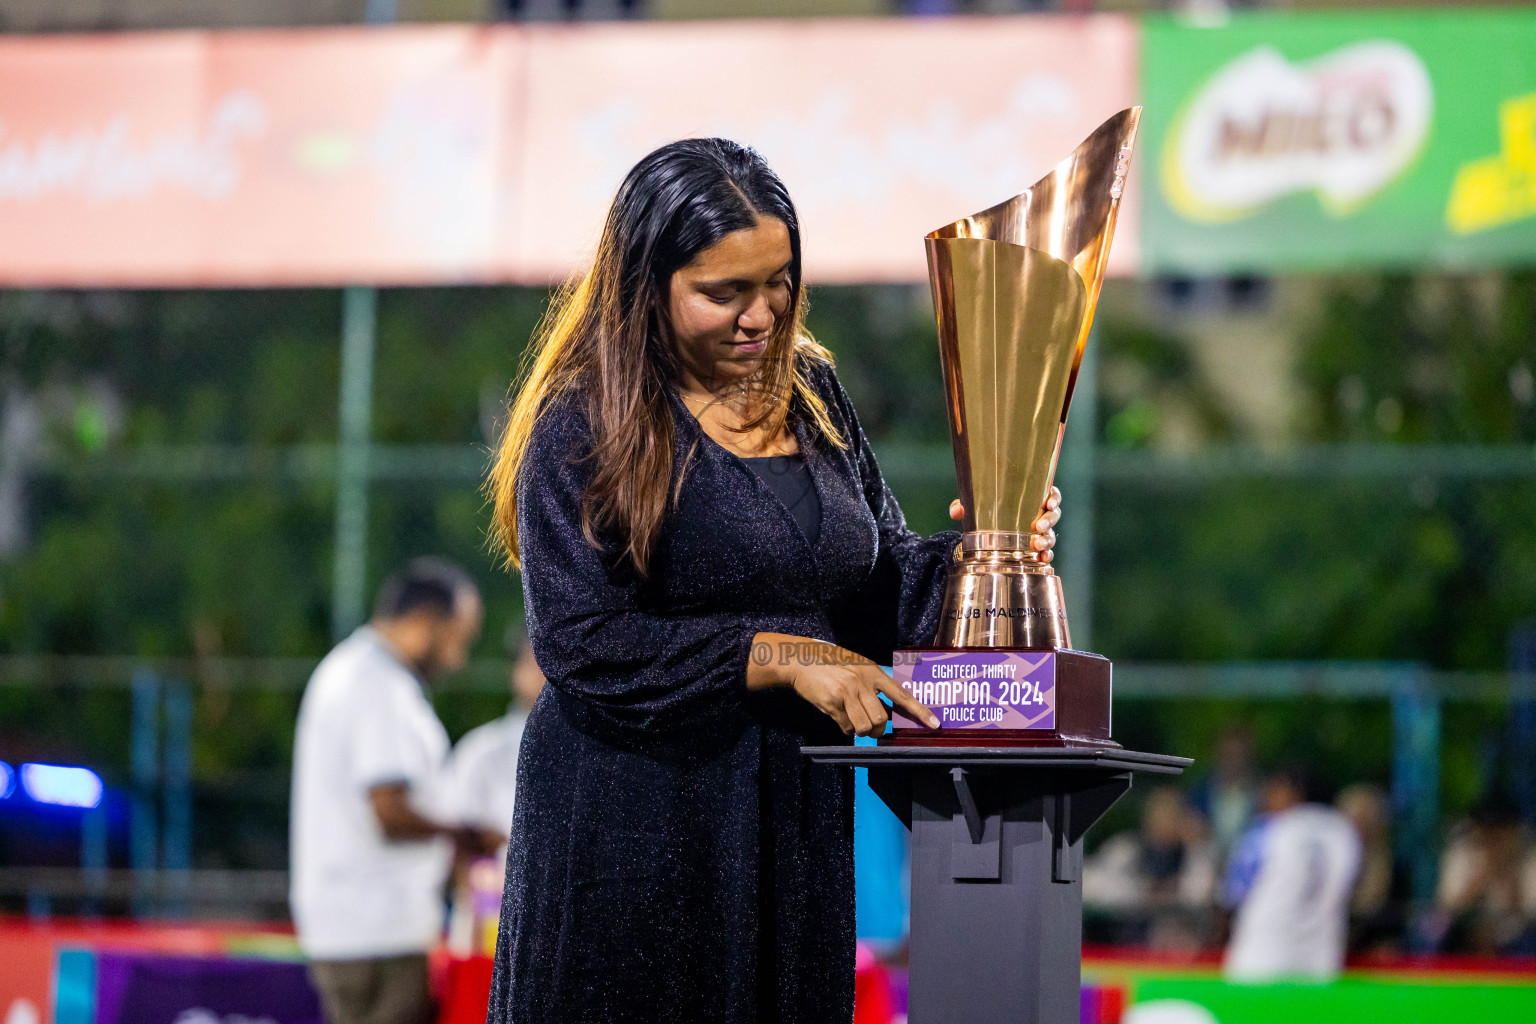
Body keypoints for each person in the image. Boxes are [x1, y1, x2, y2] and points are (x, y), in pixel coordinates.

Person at [483, 138, 1060, 1023]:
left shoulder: (814, 392)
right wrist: (784, 657)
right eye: (724, 293)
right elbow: (584, 648)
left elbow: (873, 587)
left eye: (778, 280)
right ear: (646, 287)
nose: (762, 314)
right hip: (633, 821)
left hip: (793, 812)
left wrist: (983, 550)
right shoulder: (582, 422)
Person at [290, 557, 499, 1024]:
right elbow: (388, 811)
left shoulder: (356, 671)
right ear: (426, 622)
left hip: (357, 925)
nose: (457, 659)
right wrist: (465, 834)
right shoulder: (376, 685)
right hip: (377, 930)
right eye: (457, 640)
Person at [442, 624, 546, 955]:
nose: (547, 673)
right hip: (489, 938)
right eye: (535, 661)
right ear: (516, 671)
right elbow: (460, 849)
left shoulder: (597, 756)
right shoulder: (481, 753)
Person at [1221, 765, 1360, 983]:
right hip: (1320, 956)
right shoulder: (1344, 832)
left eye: (1274, 789)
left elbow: (1234, 892)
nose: (1267, 797)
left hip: (1262, 954)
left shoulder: (1268, 830)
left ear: (1295, 792)